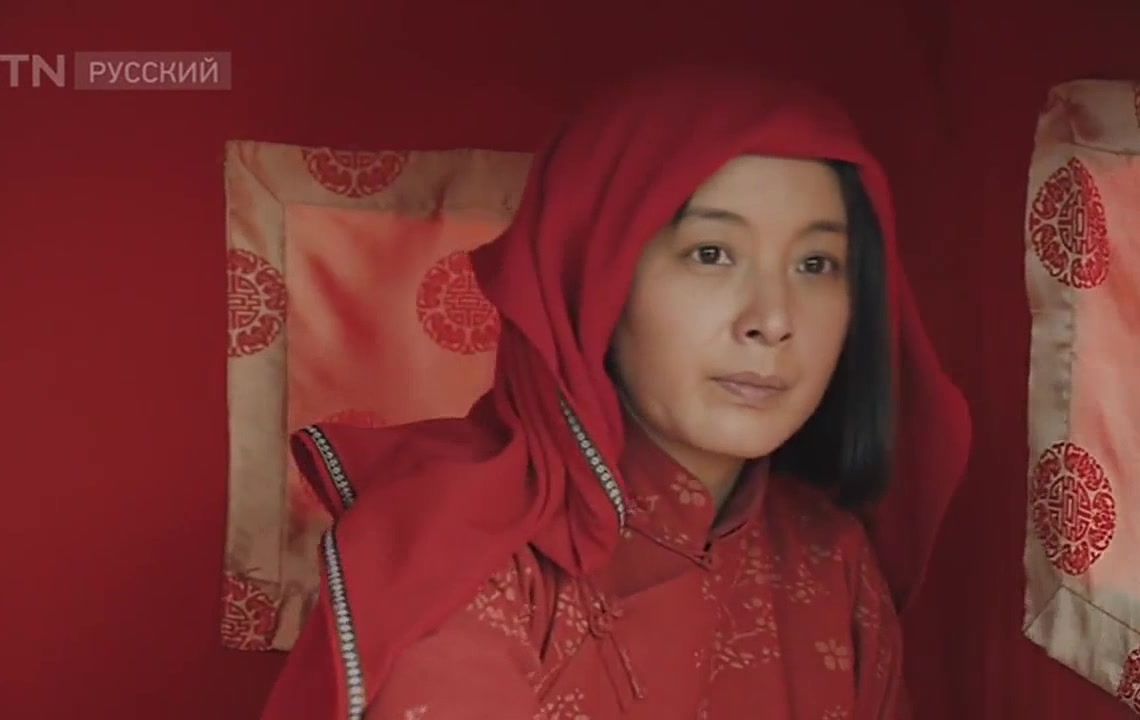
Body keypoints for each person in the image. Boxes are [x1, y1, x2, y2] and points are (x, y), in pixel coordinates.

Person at [259, 66, 972, 719]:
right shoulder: (460, 553)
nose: (774, 319)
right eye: (711, 254)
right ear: (591, 278)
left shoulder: (829, 558)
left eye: (816, 263)